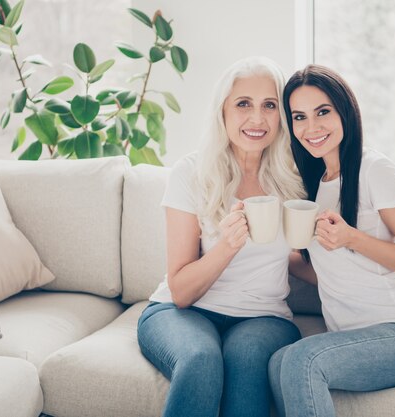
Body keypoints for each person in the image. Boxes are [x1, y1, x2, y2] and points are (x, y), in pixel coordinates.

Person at [268, 64, 395, 417]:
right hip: (352, 337)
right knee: (277, 362)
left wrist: (352, 238)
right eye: (299, 117)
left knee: (302, 360)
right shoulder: (314, 184)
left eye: (323, 112)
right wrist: (263, 250)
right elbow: (331, 272)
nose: (312, 127)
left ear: (344, 110)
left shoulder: (375, 170)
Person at [137, 56, 306, 417]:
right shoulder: (191, 173)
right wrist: (227, 246)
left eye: (269, 105)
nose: (257, 119)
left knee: (246, 362)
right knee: (200, 360)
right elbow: (181, 291)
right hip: (181, 312)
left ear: (282, 116)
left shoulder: (295, 179)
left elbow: (292, 259)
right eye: (243, 104)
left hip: (264, 317)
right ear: (223, 112)